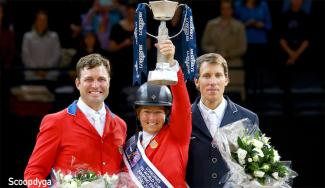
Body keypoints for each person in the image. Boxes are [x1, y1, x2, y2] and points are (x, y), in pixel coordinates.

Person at [24, 54, 127, 188]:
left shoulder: (120, 125)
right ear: (78, 83)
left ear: (109, 82)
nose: (96, 85)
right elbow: (33, 174)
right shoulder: (56, 122)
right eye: (89, 79)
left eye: (101, 79)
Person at [123, 40, 191, 187]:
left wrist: (172, 63)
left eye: (158, 112)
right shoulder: (131, 146)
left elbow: (182, 103)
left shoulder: (177, 135)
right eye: (147, 112)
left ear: (167, 113)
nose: (152, 118)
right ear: (138, 113)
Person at [186, 53, 259, 188]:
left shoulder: (248, 118)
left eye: (218, 75)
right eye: (206, 76)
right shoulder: (183, 118)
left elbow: (255, 167)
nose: (212, 82)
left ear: (226, 79)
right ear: (196, 81)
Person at [201, 0, 247, 101]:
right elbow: (204, 44)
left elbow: (243, 48)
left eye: (228, 8)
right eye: (223, 9)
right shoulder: (211, 24)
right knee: (215, 96)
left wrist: (229, 54)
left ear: (232, 10)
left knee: (235, 97)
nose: (226, 11)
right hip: (214, 64)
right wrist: (216, 52)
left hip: (234, 65)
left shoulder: (239, 26)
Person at [21, 10, 61, 81]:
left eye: (44, 20)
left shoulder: (54, 36)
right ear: (35, 21)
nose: (42, 22)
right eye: (40, 20)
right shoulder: (27, 37)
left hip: (49, 75)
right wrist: (36, 70)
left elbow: (56, 55)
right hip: (32, 76)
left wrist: (46, 69)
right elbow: (26, 56)